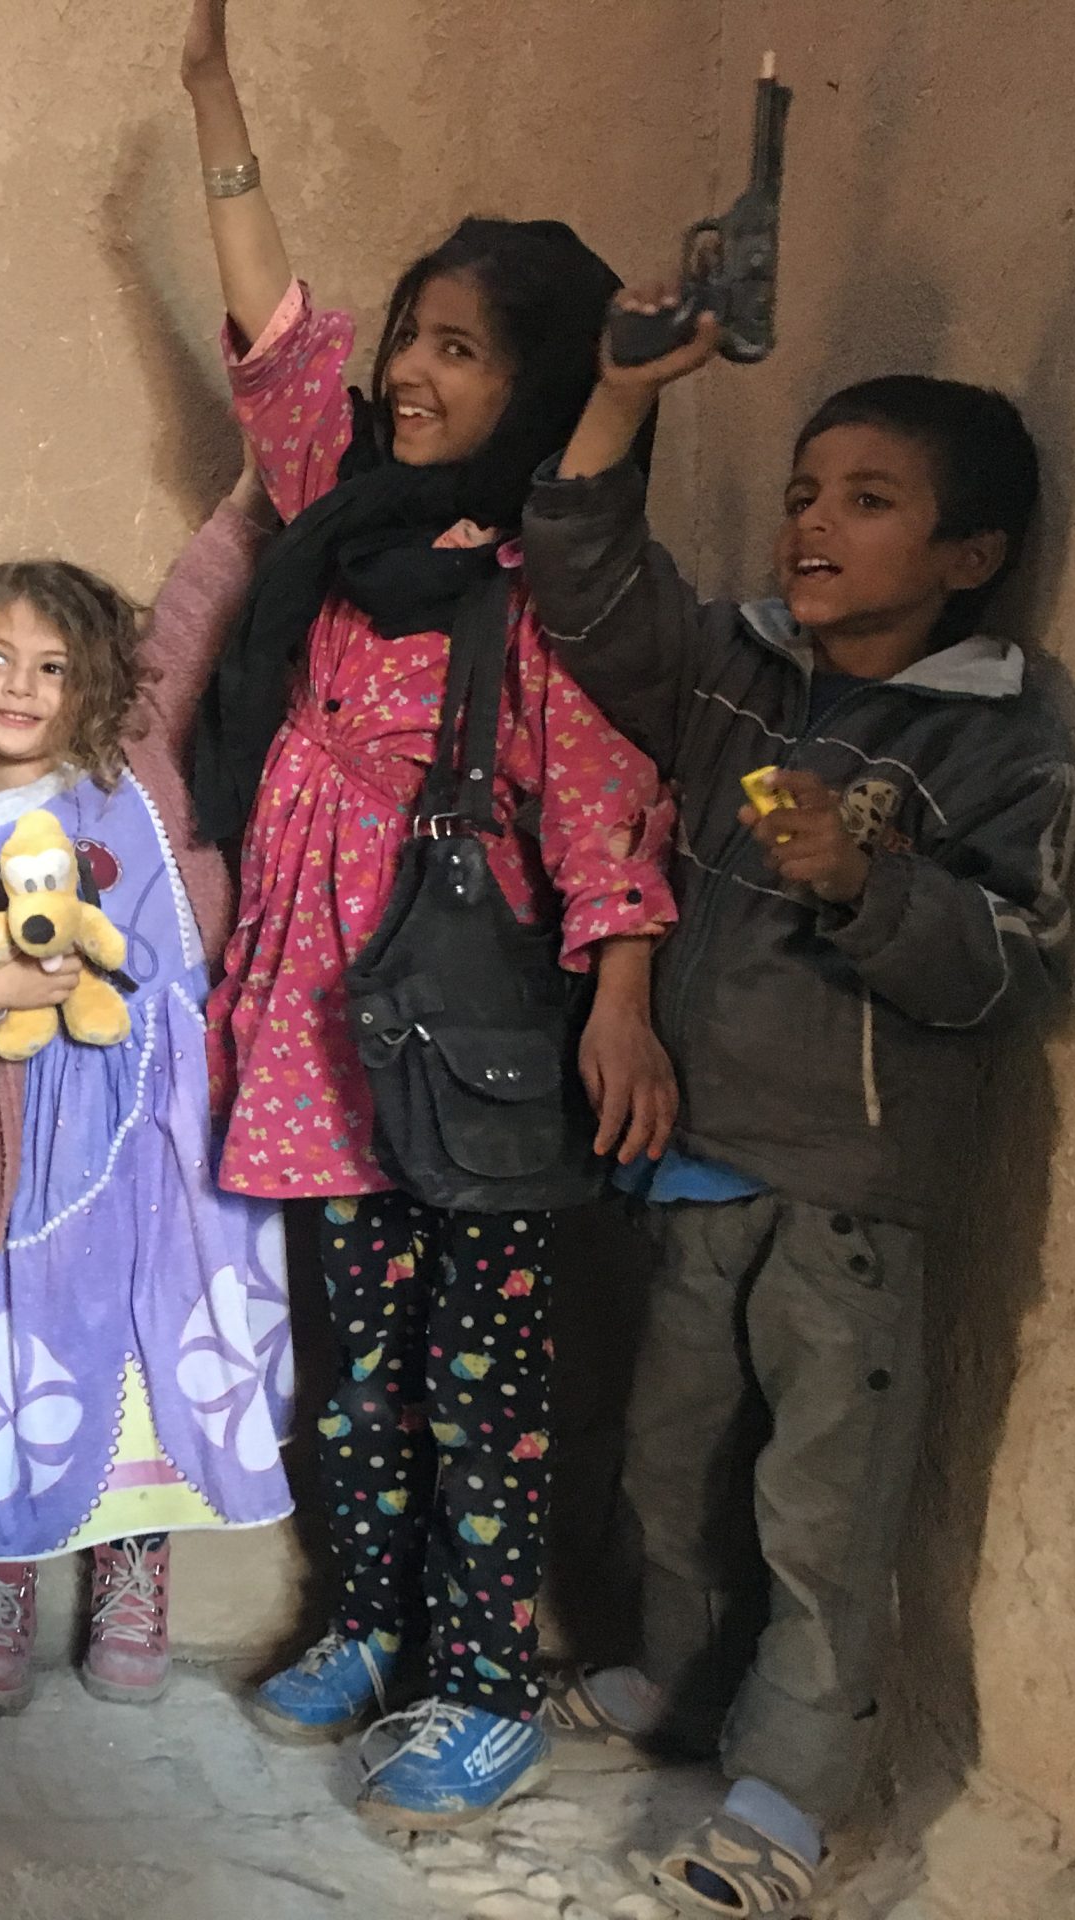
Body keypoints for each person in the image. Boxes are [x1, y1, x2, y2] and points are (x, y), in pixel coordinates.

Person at [177, 0, 681, 1830]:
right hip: (325, 1040)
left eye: (461, 352)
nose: (409, 373)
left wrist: (623, 999)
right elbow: (280, 339)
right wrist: (216, 98)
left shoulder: (536, 591)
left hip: (475, 1064)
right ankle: (372, 1627)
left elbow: (608, 802)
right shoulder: (344, 515)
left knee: (488, 1393)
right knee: (358, 1374)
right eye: (413, 335)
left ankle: (486, 1681)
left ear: (531, 389)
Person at [519, 304, 1075, 1915]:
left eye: (870, 499)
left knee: (822, 1508)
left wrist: (866, 880)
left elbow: (1013, 971)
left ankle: (785, 1795)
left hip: (853, 1197)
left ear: (970, 555)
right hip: (699, 1163)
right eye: (804, 492)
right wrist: (619, 396)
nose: (814, 522)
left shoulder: (999, 740)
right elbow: (588, 591)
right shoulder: (740, 672)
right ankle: (677, 1685)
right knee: (671, 1461)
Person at [0, 454, 290, 1716]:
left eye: (53, 665)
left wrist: (256, 492)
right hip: (27, 1159)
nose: (21, 684)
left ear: (98, 686)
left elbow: (195, 610)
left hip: (174, 1136)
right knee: (22, 1357)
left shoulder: (138, 772)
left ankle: (133, 1576)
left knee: (151, 1354)